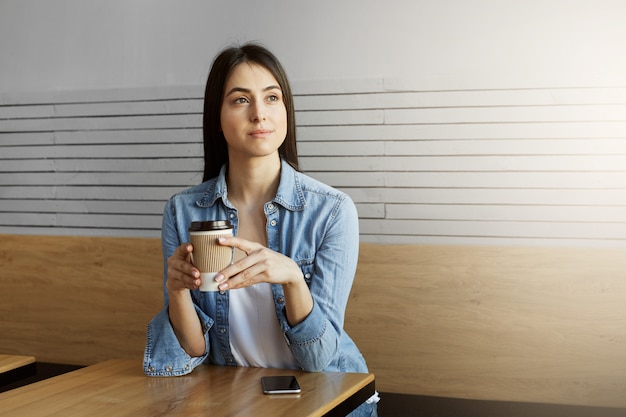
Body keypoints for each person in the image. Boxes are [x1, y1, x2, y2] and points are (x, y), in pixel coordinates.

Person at [143, 42, 378, 416]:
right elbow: (191, 351)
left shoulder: (332, 211)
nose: (259, 114)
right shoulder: (182, 210)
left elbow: (319, 358)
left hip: (327, 399)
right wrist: (177, 293)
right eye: (240, 100)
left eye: (272, 98)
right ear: (217, 115)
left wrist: (293, 280)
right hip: (233, 399)